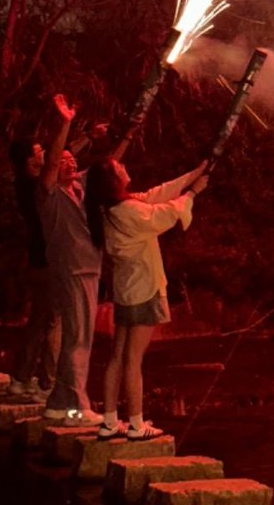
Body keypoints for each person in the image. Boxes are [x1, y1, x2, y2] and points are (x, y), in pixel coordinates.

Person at [85, 155, 209, 440]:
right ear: (112, 180)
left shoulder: (111, 209)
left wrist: (194, 173)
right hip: (143, 290)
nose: (124, 167)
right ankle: (136, 425)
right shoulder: (128, 210)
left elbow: (157, 194)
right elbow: (163, 213)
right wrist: (193, 193)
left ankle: (110, 422)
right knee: (133, 359)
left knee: (118, 356)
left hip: (126, 290)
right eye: (118, 167)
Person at [37, 93, 104, 426]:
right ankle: (77, 407)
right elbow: (50, 164)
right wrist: (65, 123)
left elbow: (108, 168)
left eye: (72, 160)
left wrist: (127, 135)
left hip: (88, 268)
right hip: (74, 269)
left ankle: (58, 402)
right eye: (64, 161)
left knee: (78, 337)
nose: (70, 164)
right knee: (78, 338)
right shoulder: (49, 194)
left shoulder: (79, 188)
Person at [6, 138, 60, 398]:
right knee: (52, 322)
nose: (45, 153)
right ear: (30, 160)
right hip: (47, 261)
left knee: (39, 322)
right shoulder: (35, 187)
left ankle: (22, 377)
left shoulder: (24, 184)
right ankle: (49, 383)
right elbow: (55, 163)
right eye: (39, 151)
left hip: (38, 260)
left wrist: (87, 139)